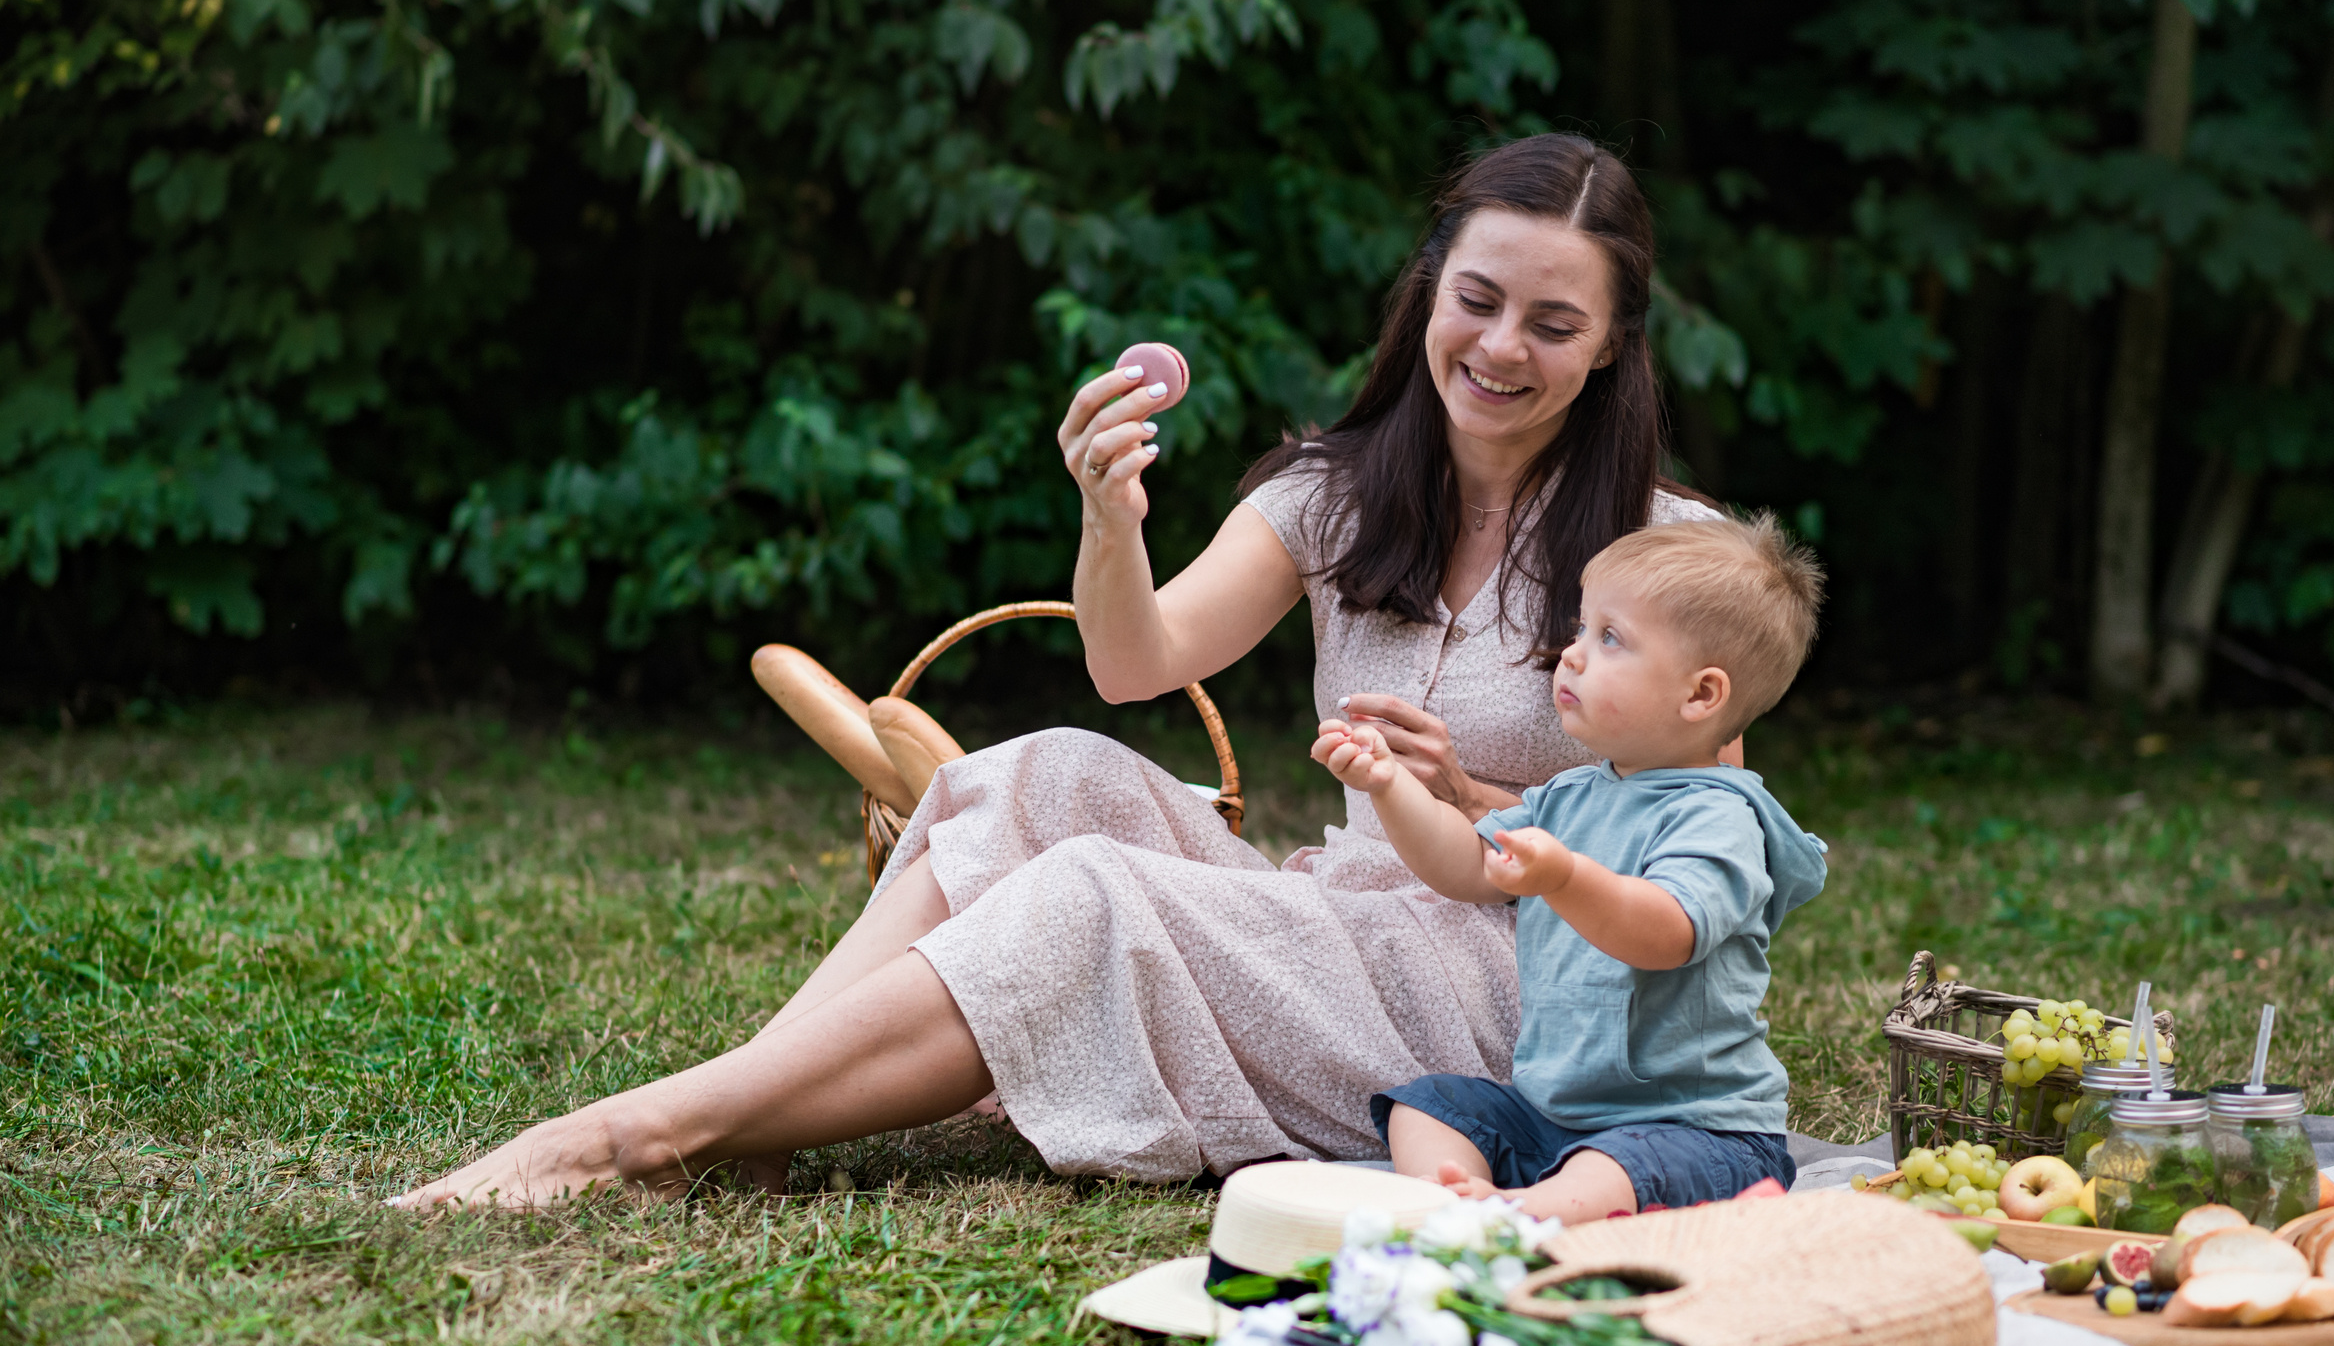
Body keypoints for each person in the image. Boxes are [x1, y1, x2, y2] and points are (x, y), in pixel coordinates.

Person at [392, 132, 1740, 1209]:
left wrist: (1486, 811)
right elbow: (1131, 662)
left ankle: (632, 1135)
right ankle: (758, 1108)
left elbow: (1707, 854)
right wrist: (1110, 516)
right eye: (1479, 300)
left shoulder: (1673, 556)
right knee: (1045, 772)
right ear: (1431, 290)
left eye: (1552, 323)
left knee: (1097, 893)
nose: (1499, 347)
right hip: (1340, 920)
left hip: (1513, 994)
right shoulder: (1339, 496)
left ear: (1611, 344)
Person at [1314, 516, 1828, 1224]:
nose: (1573, 655)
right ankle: (1454, 1204)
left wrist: (1564, 879)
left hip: (1696, 1130)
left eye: (1609, 638)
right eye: (1582, 629)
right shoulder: (1569, 796)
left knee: (1614, 1167)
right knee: (1428, 1105)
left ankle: (1521, 1214)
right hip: (1553, 1117)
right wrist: (1390, 787)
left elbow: (1668, 932)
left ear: (1701, 695)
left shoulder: (1718, 815)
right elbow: (1466, 867)